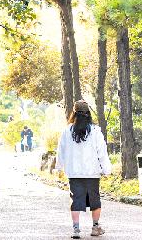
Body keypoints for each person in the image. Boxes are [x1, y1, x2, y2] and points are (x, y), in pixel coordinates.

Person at [55, 100, 112, 239]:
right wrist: (106, 169)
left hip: (74, 173)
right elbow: (102, 152)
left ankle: (76, 229)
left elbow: (60, 151)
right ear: (88, 114)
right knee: (95, 200)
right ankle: (95, 227)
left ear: (74, 113)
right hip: (92, 172)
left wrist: (59, 167)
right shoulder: (95, 131)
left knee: (76, 200)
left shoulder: (67, 131)